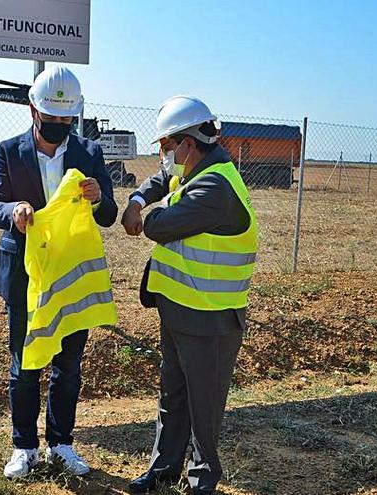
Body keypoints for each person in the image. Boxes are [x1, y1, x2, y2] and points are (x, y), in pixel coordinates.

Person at [0, 65, 118, 479]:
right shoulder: (8, 151)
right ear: (33, 111)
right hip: (25, 274)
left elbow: (110, 215)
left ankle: (61, 443)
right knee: (25, 362)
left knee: (69, 364)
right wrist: (14, 211)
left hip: (72, 274)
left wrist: (98, 198)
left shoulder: (90, 154)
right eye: (53, 117)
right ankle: (25, 446)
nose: (60, 125)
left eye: (67, 119)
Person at [120, 96, 258, 494]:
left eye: (167, 148)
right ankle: (163, 470)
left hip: (211, 318)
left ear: (188, 145)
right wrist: (137, 199)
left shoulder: (215, 187)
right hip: (180, 311)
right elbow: (162, 181)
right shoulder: (199, 169)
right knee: (173, 396)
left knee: (204, 407)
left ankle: (201, 481)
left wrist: (147, 214)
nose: (165, 157)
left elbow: (160, 226)